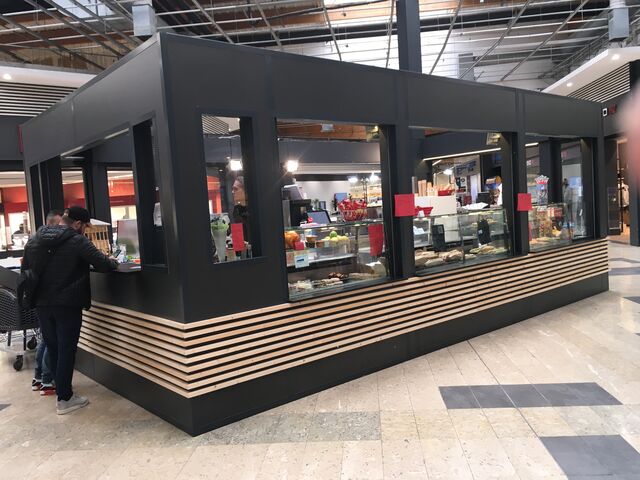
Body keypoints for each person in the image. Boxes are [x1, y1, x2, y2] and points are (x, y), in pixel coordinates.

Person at [21, 206, 118, 415]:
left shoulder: (35, 240)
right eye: (85, 227)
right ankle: (65, 398)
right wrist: (113, 262)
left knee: (54, 348)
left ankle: (61, 391)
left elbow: (26, 270)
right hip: (67, 304)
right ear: (77, 224)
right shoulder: (77, 241)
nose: (85, 231)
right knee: (66, 349)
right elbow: (102, 264)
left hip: (42, 304)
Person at [31, 209, 64, 396]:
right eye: (60, 224)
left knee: (45, 338)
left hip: (39, 296)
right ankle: (47, 380)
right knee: (51, 341)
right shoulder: (49, 244)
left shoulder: (34, 241)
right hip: (49, 296)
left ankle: (39, 377)